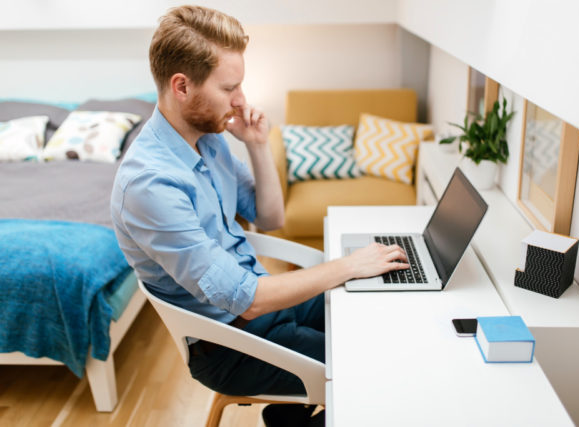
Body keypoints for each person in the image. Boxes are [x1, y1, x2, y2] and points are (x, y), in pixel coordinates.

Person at [110, 5, 409, 426]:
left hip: (263, 304)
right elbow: (245, 302)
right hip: (231, 344)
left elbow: (269, 217)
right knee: (378, 375)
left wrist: (255, 143)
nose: (240, 100)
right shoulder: (150, 186)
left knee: (379, 321)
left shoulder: (207, 138)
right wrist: (346, 265)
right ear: (181, 86)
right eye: (229, 87)